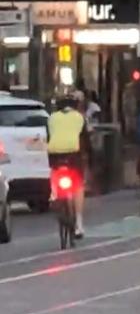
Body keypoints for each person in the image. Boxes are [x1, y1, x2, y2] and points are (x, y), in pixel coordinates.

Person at [47, 93, 92, 238]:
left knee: (54, 171)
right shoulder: (79, 118)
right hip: (74, 156)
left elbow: (50, 137)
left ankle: (54, 192)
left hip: (55, 155)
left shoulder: (52, 118)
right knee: (78, 185)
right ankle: (79, 223)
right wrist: (91, 157)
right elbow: (86, 141)